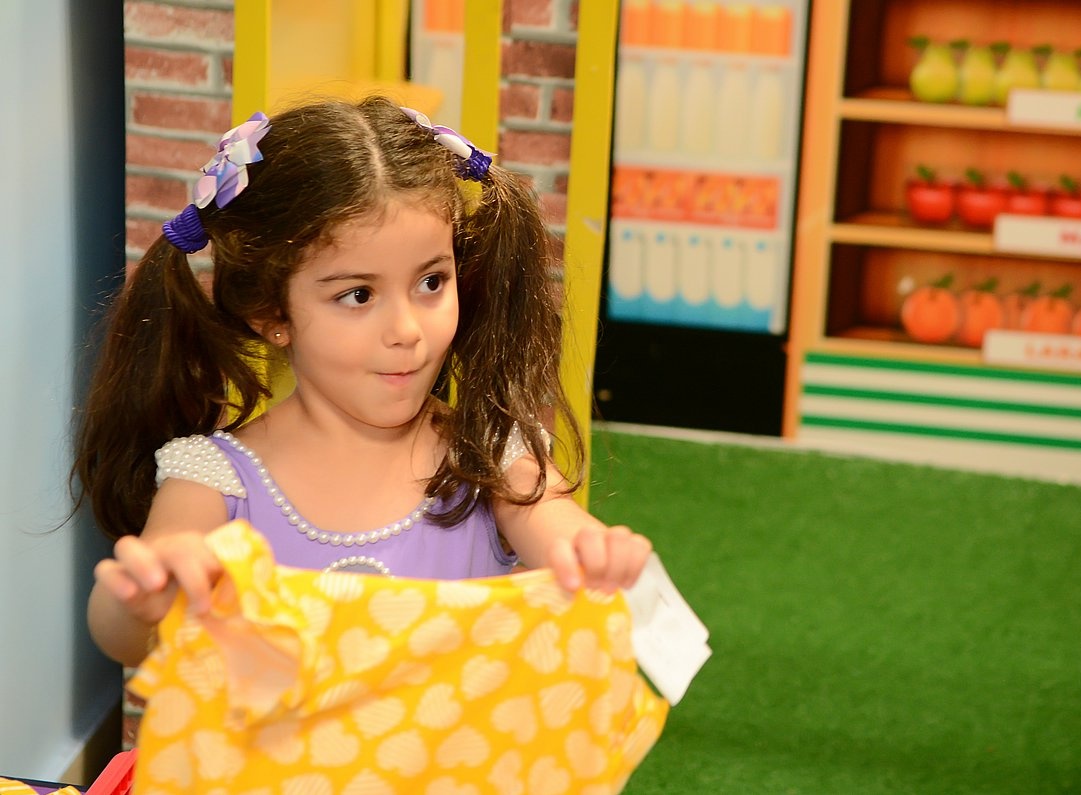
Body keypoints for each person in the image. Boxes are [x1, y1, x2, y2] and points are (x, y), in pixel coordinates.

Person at [75, 96, 652, 668]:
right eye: (358, 295)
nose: (406, 331)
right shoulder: (215, 481)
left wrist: (593, 556)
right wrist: (141, 599)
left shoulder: (490, 456)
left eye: (431, 282)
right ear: (271, 313)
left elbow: (562, 531)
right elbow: (125, 636)